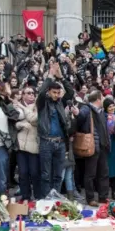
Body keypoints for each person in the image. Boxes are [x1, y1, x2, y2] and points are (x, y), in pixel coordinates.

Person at [36, 64, 74, 198]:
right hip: (46, 142)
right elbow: (40, 92)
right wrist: (50, 76)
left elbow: (70, 93)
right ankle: (46, 199)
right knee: (46, 174)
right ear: (49, 92)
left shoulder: (60, 102)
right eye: (54, 92)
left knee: (58, 174)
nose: (57, 95)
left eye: (58, 93)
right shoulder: (42, 103)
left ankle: (55, 198)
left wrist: (61, 77)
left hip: (60, 143)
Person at [76, 90, 111, 206]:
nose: (104, 100)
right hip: (92, 146)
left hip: (103, 146)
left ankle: (103, 197)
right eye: (102, 97)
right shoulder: (86, 109)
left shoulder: (101, 111)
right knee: (90, 174)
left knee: (104, 173)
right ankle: (90, 198)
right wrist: (76, 113)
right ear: (98, 99)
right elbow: (79, 119)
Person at [13, 87, 40, 200]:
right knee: (23, 173)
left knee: (34, 173)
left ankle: (38, 196)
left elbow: (35, 120)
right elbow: (13, 123)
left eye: (33, 93)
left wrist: (23, 108)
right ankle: (25, 196)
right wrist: (20, 124)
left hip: (34, 145)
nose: (31, 95)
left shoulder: (37, 106)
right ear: (23, 95)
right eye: (28, 93)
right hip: (21, 144)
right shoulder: (16, 107)